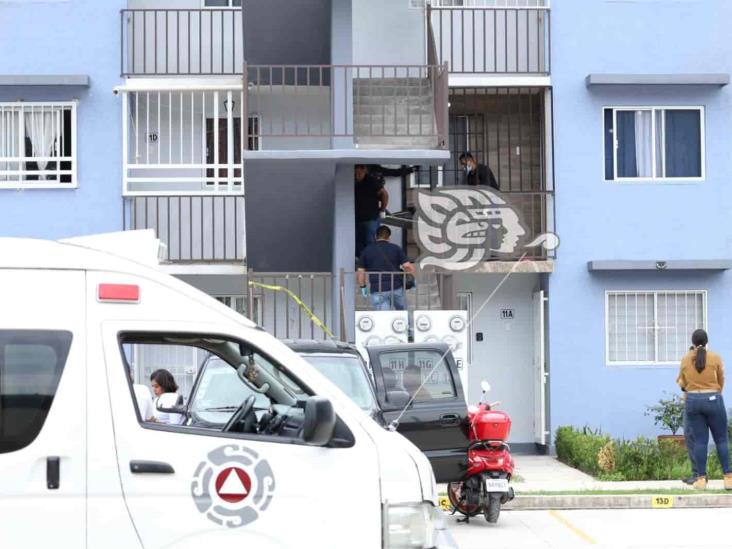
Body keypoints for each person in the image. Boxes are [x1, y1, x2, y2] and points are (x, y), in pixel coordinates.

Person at [677, 329, 732, 490]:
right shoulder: (715, 357)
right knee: (721, 439)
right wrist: (715, 394)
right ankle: (728, 478)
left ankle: (701, 480)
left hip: (693, 401)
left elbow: (682, 383)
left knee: (700, 441)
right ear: (707, 342)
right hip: (713, 399)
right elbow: (721, 380)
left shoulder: (686, 359)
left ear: (693, 343)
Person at [354, 164, 416, 258]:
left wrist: (382, 209)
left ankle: (372, 261)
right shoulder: (353, 180)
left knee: (370, 240)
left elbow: (385, 192)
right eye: (355, 173)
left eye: (358, 173)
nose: (356, 175)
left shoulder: (372, 177)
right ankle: (361, 261)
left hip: (371, 216)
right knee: (358, 241)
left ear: (364, 169)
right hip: (358, 217)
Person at [357, 225, 415, 311]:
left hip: (378, 289)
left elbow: (361, 271)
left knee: (383, 317)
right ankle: (409, 324)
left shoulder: (367, 251)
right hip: (396, 286)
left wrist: (363, 287)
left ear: (375, 236)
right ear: (389, 237)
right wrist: (413, 281)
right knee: (403, 314)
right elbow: (407, 266)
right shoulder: (396, 248)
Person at [678, 346, 699, 485]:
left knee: (691, 437)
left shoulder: (688, 368)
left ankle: (697, 474)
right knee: (698, 439)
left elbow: (682, 385)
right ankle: (700, 474)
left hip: (692, 405)